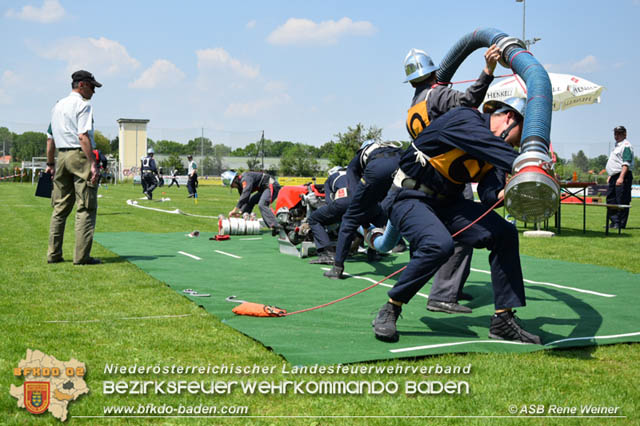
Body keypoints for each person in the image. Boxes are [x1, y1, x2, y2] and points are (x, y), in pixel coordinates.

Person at [372, 97, 542, 345]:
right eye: (522, 134)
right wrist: (531, 165)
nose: (519, 143)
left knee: (504, 233)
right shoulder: (465, 119)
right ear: (509, 117)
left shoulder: (496, 151)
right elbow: (487, 146)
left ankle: (503, 320)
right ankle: (391, 307)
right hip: (409, 197)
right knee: (439, 245)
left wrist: (509, 192)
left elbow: (488, 195)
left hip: (447, 204)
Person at [405, 45, 501, 313]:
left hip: (427, 179)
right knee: (463, 234)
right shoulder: (438, 94)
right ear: (434, 73)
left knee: (438, 236)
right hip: (452, 175)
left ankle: (446, 288)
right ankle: (444, 294)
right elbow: (469, 101)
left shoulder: (414, 107)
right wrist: (488, 71)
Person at [45, 70, 102, 265]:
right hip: (78, 156)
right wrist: (92, 163)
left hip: (61, 156)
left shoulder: (57, 106)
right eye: (92, 86)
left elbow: (50, 138)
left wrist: (50, 163)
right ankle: (81, 257)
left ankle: (53, 254)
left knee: (59, 208)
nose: (94, 91)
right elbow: (82, 136)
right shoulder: (83, 105)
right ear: (82, 85)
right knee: (86, 206)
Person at [323, 140, 403, 279]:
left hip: (379, 168)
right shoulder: (389, 146)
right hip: (402, 164)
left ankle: (337, 267)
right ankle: (375, 252)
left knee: (348, 219)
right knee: (385, 210)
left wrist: (359, 214)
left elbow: (355, 191)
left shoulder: (356, 161)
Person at [308, 166, 350, 264]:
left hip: (342, 203)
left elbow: (329, 200)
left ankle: (328, 254)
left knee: (313, 219)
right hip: (362, 204)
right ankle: (373, 251)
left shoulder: (331, 178)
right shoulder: (356, 175)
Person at [605, 126, 634, 229]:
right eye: (615, 133)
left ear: (625, 134)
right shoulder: (617, 146)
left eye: (619, 133)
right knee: (611, 199)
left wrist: (621, 177)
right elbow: (616, 162)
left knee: (621, 200)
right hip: (614, 176)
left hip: (622, 175)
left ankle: (620, 223)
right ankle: (614, 222)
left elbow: (626, 163)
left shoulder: (626, 145)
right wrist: (610, 175)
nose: (616, 136)